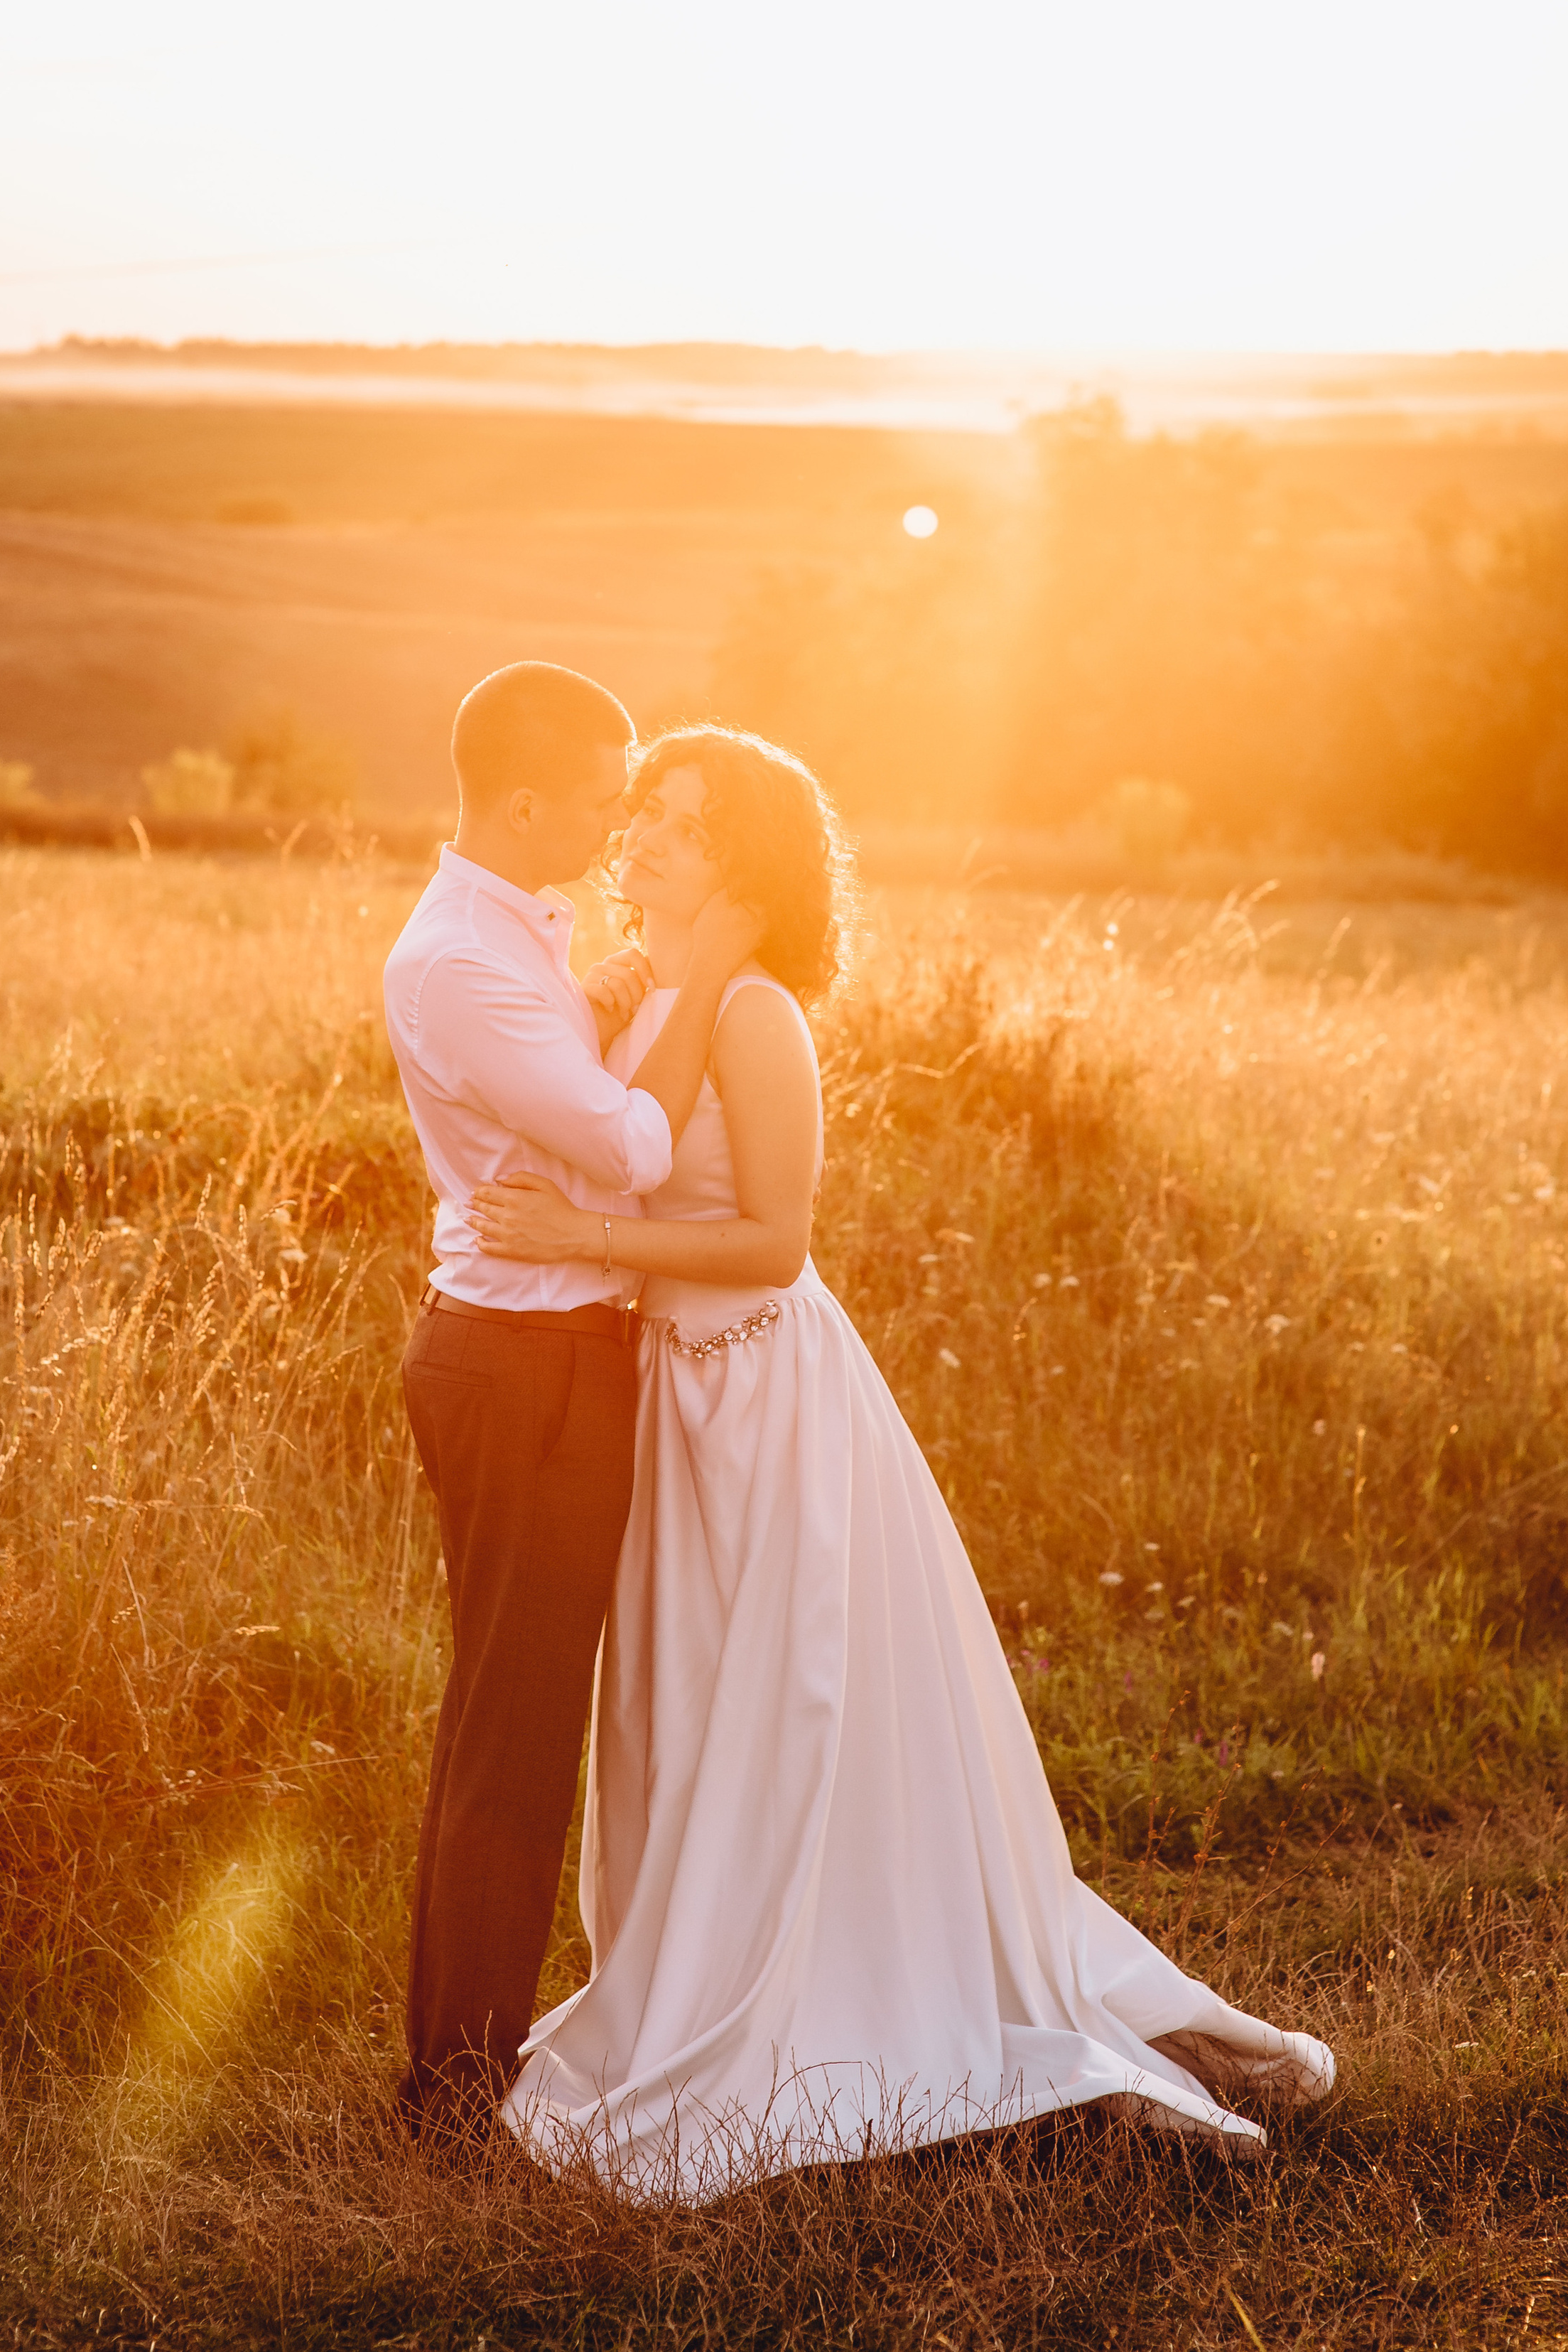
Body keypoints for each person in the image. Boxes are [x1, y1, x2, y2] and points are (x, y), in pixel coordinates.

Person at [469, 725, 1335, 2198]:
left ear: (747, 864)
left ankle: (915, 2009)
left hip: (763, 1406)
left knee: (792, 1720)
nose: (650, 840)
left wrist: (585, 1242)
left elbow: (773, 1242)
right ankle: (703, 1979)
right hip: (662, 1417)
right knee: (687, 1733)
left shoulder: (752, 1012)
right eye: (649, 818)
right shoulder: (641, 998)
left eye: (688, 824)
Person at [382, 665, 758, 2150]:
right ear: (525, 801)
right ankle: (453, 2092)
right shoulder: (459, 959)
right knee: (513, 1738)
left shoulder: (508, 929)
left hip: (546, 1356)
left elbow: (568, 1059)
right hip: (521, 1365)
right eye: (605, 800)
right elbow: (629, 1147)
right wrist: (705, 977)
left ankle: (467, 2063)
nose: (616, 830)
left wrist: (620, 989)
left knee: (530, 1726)